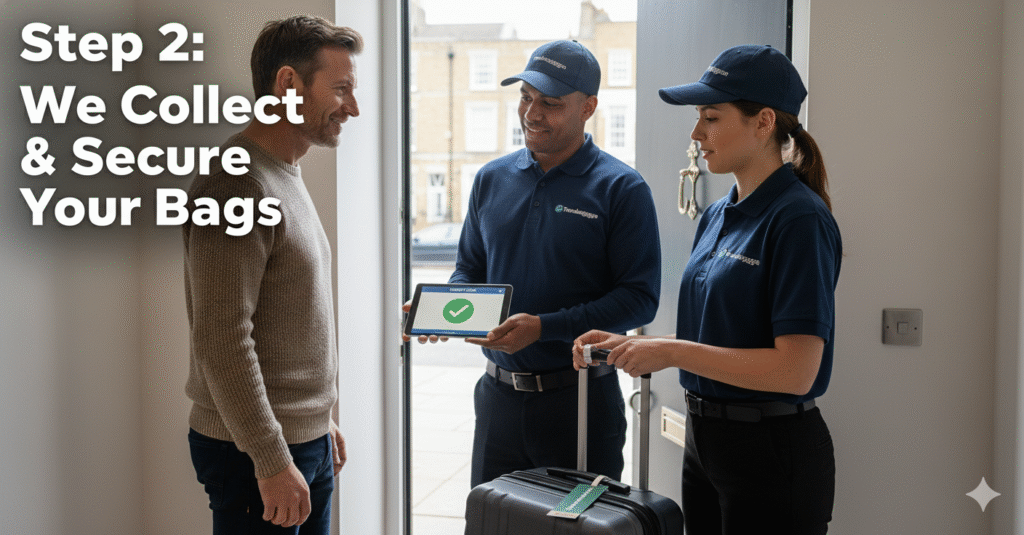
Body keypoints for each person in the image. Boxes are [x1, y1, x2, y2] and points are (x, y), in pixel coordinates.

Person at [573, 44, 841, 534]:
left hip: (771, 451)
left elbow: (797, 371)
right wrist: (631, 346)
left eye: (712, 118)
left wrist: (670, 351)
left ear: (763, 122)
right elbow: (716, 333)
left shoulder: (799, 219)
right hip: (706, 442)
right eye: (698, 117)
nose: (696, 134)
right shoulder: (718, 213)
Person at [406, 39, 661, 487]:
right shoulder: (491, 179)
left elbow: (639, 301)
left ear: (589, 107)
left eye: (550, 103)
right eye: (525, 97)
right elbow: (469, 267)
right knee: (490, 521)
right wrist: (446, 309)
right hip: (496, 400)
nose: (532, 113)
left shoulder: (622, 189)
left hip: (580, 400)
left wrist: (543, 327)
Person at [182, 15, 362, 534]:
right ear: (288, 84)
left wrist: (319, 417)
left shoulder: (281, 174)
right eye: (341, 89)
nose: (351, 107)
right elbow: (222, 339)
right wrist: (271, 458)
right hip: (253, 451)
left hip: (299, 440)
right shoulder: (236, 186)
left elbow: (288, 316)